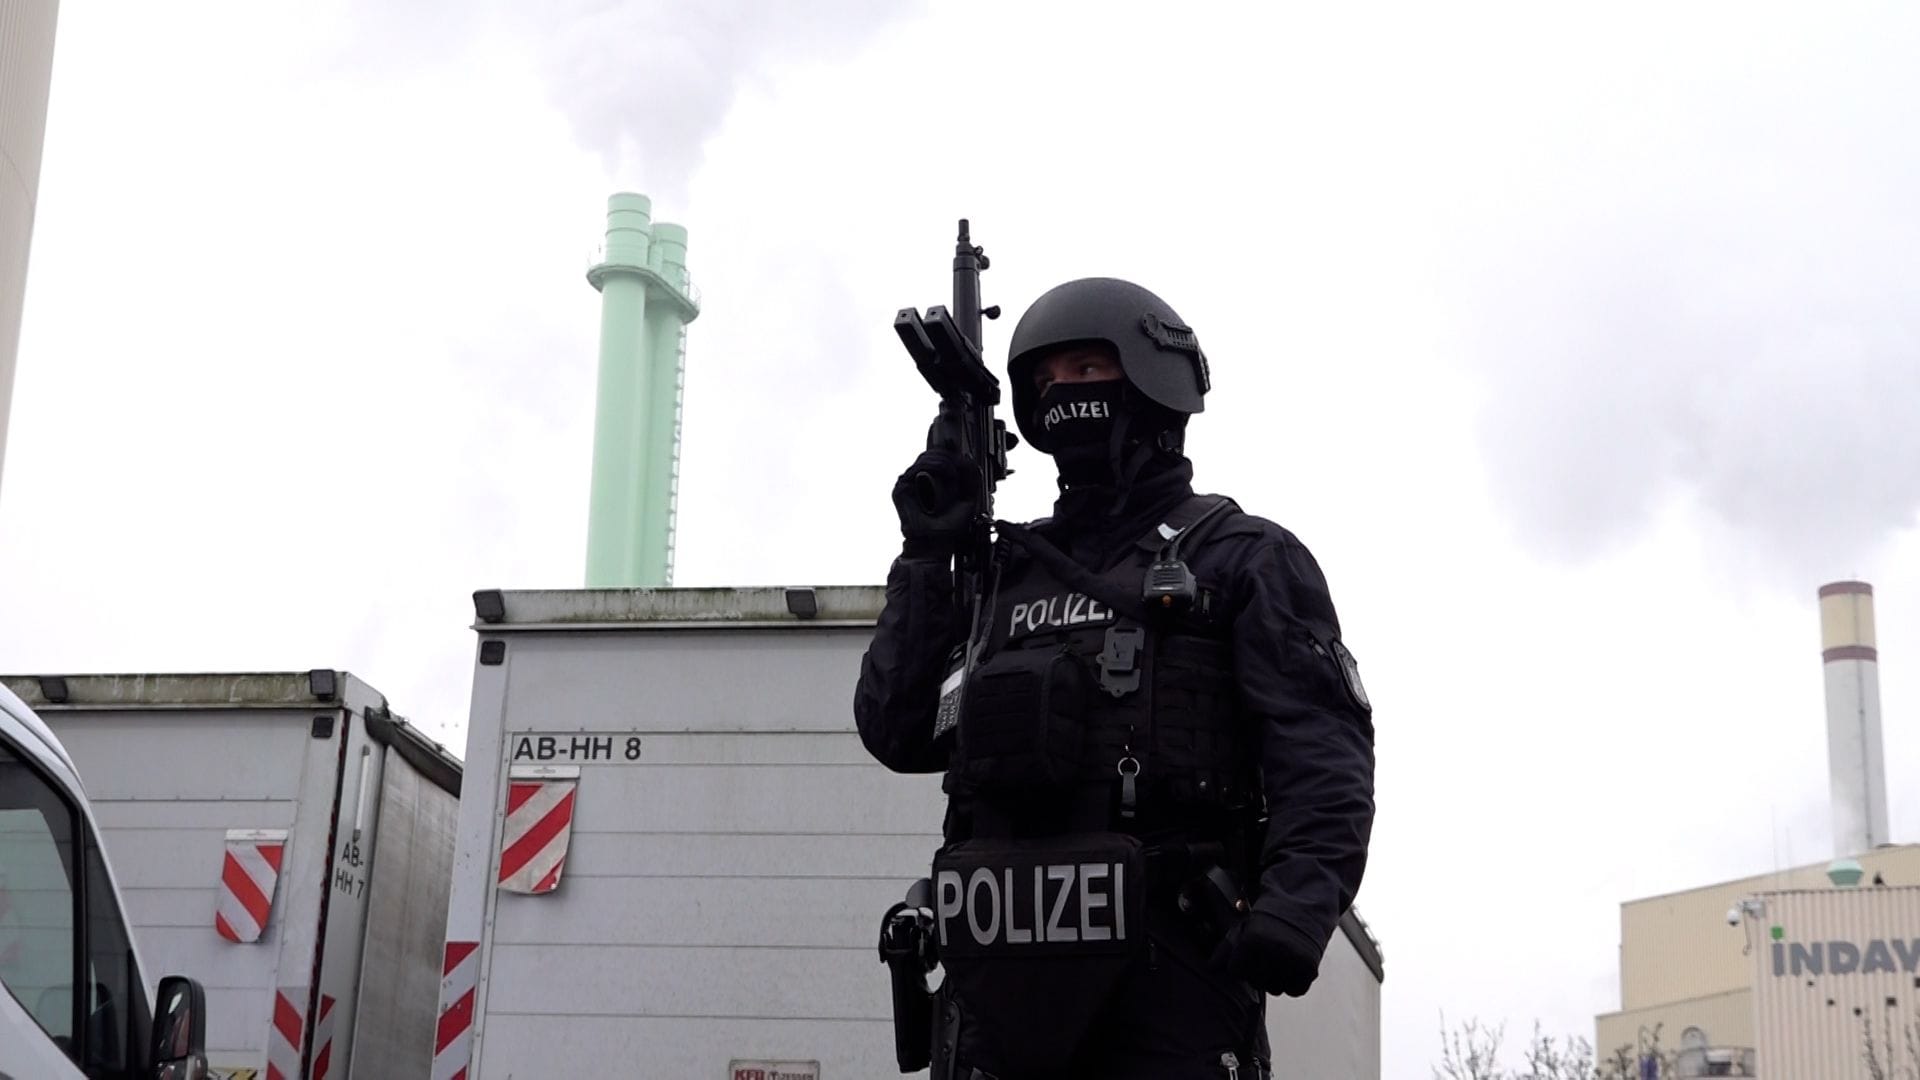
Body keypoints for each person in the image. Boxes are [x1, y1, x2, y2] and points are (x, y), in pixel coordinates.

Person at [856, 277, 1375, 1079]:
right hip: (995, 985)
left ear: (1153, 379)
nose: (1063, 389)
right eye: (1044, 380)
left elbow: (1323, 756)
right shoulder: (1001, 570)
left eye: (1087, 368)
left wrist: (1295, 909)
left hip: (1173, 971)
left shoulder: (1240, 556)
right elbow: (896, 728)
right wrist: (927, 555)